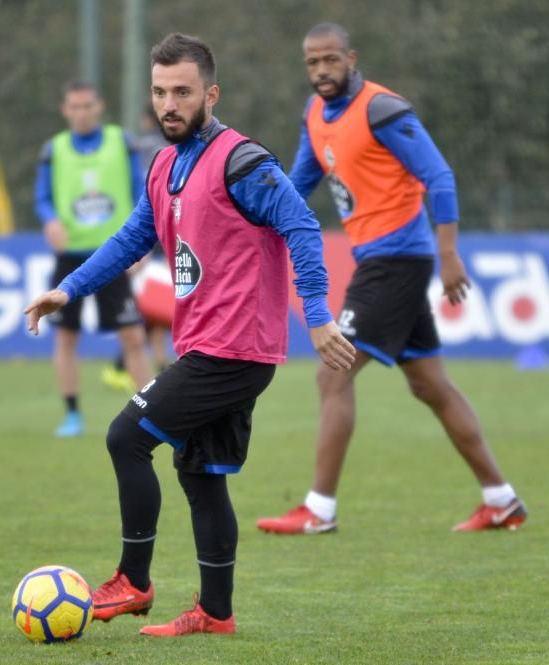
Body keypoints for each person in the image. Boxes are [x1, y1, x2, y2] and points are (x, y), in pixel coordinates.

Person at [25, 33, 355, 637]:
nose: (168, 104)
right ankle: (216, 613)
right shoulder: (163, 164)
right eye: (159, 92)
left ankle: (133, 580)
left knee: (126, 436)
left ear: (211, 93)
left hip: (235, 350)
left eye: (182, 92)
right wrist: (67, 289)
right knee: (200, 475)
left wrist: (317, 311)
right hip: (206, 345)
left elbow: (302, 224)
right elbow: (131, 240)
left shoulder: (242, 161)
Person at [255, 22, 527, 535]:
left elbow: (439, 176)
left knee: (331, 372)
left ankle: (319, 510)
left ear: (351, 58)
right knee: (431, 386)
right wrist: (254, 222)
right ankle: (501, 499)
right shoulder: (314, 115)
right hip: (378, 260)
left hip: (398, 258)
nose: (321, 71)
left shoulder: (383, 109)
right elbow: (299, 185)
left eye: (331, 60)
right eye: (312, 62)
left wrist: (449, 254)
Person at [34, 80, 151, 437]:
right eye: (75, 107)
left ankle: (153, 412)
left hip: (113, 254)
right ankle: (72, 415)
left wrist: (140, 245)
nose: (82, 113)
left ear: (99, 107)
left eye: (87, 106)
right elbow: (42, 198)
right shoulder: (53, 150)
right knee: (66, 338)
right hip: (70, 257)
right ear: (65, 110)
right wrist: (50, 220)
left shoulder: (122, 141)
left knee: (132, 336)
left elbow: (140, 191)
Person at [101, 103, 174, 393]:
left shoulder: (138, 148)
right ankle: (138, 366)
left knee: (151, 311)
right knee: (153, 311)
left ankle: (132, 367)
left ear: (145, 121)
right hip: (167, 235)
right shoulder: (174, 146)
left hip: (143, 233)